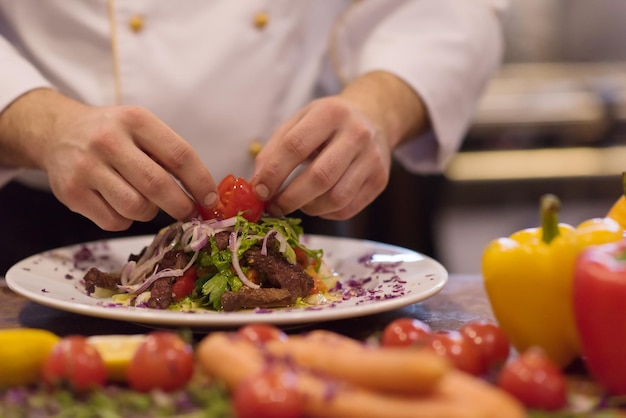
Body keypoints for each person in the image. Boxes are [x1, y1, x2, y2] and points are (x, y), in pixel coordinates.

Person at [0, 1, 508, 275]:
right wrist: (38, 121)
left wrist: (383, 104)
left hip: (291, 237)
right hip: (47, 239)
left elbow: (449, 10)